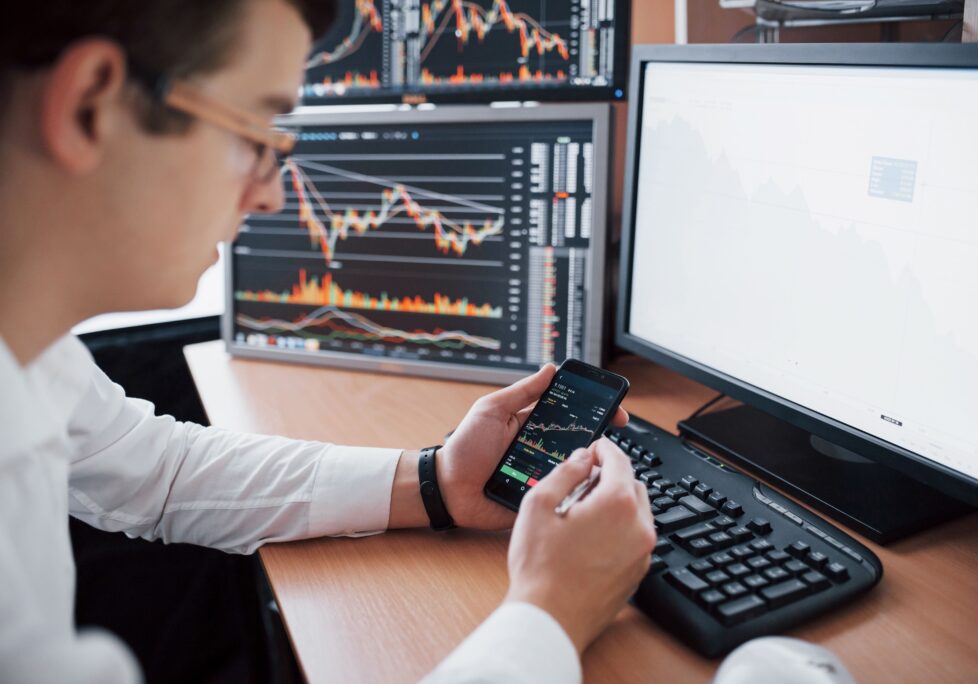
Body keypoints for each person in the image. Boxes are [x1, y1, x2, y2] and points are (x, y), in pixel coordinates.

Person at [0, 1, 655, 682]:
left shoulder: (30, 349)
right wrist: (546, 616)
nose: (271, 197)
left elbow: (158, 473)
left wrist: (434, 482)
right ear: (88, 106)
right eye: (255, 133)